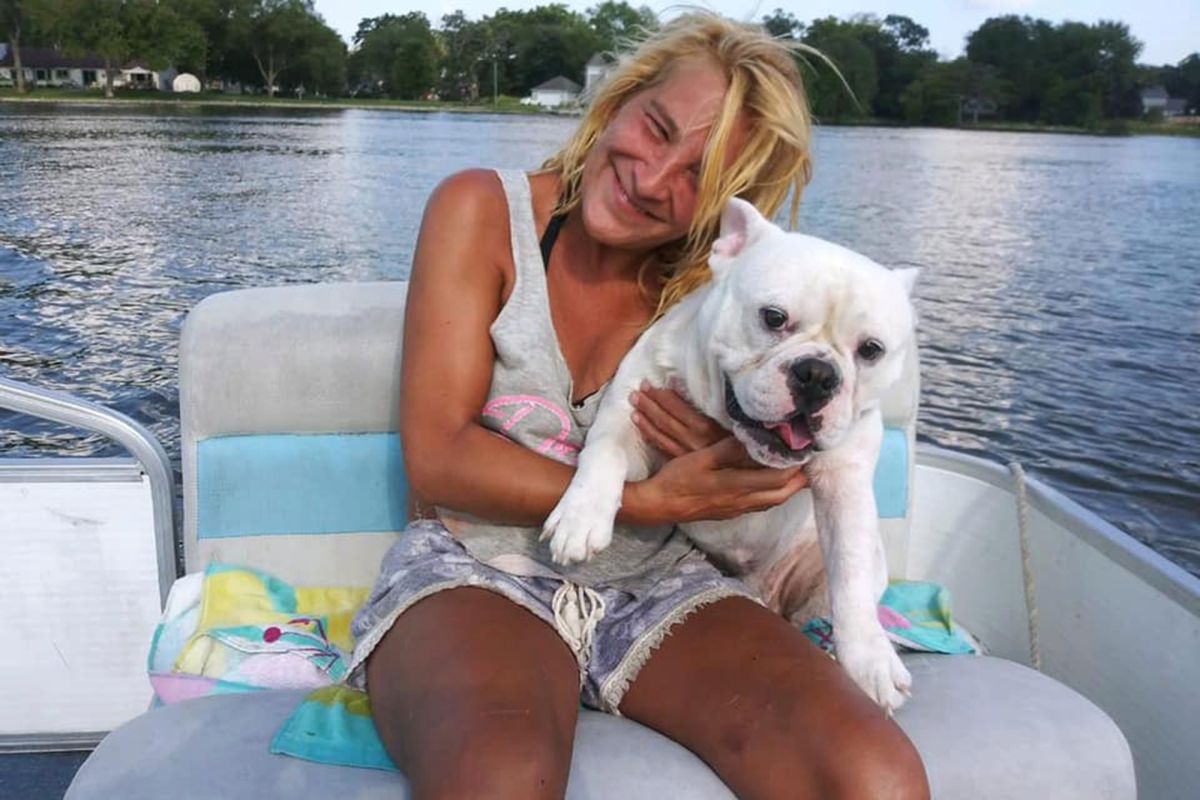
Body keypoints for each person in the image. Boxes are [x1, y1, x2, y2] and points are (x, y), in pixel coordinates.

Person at [347, 12, 930, 800]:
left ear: (727, 209)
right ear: (618, 99)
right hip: (479, 562)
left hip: (667, 580)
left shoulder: (725, 294)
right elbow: (440, 456)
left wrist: (747, 458)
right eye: (655, 129)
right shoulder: (481, 209)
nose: (653, 179)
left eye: (697, 176)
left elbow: (815, 439)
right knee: (500, 778)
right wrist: (650, 499)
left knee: (873, 777)